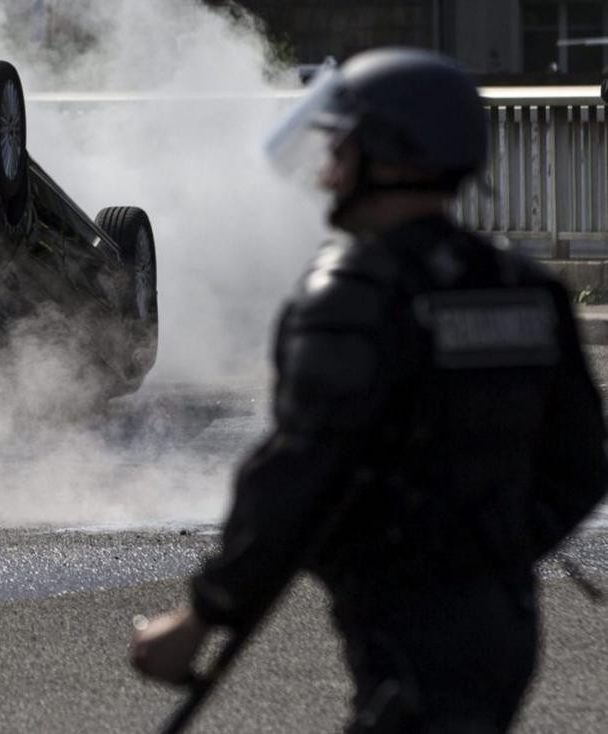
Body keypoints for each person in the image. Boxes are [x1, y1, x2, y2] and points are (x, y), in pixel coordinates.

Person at [130, 48, 608, 732]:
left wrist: (201, 614)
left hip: (408, 623)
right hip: (504, 619)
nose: (328, 173)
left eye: (343, 149)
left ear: (392, 156)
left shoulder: (355, 294)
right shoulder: (521, 287)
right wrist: (490, 549)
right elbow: (582, 462)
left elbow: (295, 472)